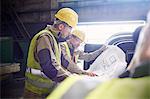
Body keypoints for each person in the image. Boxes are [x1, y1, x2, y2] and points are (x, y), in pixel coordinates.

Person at [46, 22, 150, 99]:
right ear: (72, 37)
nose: (79, 44)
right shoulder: (63, 46)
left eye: (81, 42)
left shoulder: (75, 50)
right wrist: (84, 73)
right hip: (60, 78)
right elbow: (68, 64)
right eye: (79, 41)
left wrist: (101, 50)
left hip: (66, 78)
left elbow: (88, 57)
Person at [24, 8, 78, 98]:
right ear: (61, 27)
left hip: (47, 89)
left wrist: (82, 73)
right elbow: (50, 66)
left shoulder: (55, 40)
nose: (69, 34)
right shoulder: (44, 37)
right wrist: (72, 79)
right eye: (69, 30)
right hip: (36, 91)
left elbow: (65, 61)